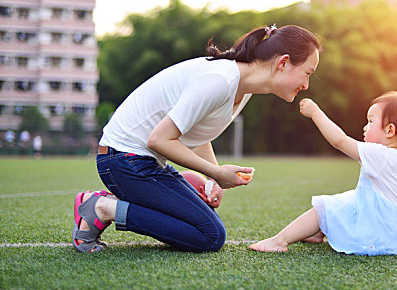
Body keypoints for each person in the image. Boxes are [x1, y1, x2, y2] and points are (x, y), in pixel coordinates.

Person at [72, 25, 321, 253]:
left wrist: (214, 178)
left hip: (138, 161)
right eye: (307, 73)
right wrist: (217, 171)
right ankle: (103, 208)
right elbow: (158, 140)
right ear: (284, 62)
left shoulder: (242, 87)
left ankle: (111, 204)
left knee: (206, 224)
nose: (307, 84)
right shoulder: (220, 81)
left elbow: (195, 132)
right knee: (210, 236)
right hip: (123, 160)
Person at [250, 91, 397, 255]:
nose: (365, 127)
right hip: (395, 234)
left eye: (371, 121)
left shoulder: (379, 154)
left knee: (323, 207)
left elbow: (339, 141)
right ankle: (317, 233)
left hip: (375, 234)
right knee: (345, 202)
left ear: (390, 130)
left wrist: (315, 112)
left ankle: (279, 240)